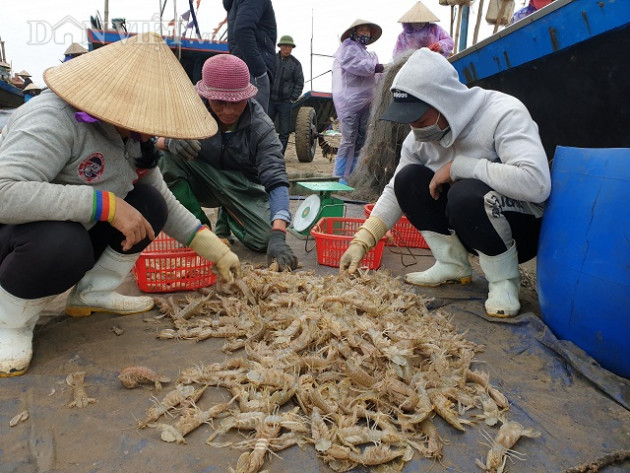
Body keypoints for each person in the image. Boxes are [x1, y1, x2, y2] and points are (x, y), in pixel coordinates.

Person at [0, 33, 241, 377]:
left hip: (70, 229)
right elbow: (4, 193)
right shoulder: (52, 119)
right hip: (19, 236)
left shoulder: (132, 138)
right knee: (64, 244)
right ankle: (9, 322)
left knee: (149, 203)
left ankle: (91, 293)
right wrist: (106, 206)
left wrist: (215, 250)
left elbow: (164, 203)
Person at [339, 48, 551, 318]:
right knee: (408, 179)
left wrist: (462, 167)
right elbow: (395, 190)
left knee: (464, 192)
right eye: (409, 120)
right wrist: (363, 240)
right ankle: (452, 266)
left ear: (444, 101)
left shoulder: (502, 113)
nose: (415, 128)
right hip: (472, 225)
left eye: (421, 118)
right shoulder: (419, 139)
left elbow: (537, 184)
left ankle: (503, 281)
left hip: (521, 229)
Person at [158, 54, 297, 272]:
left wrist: (279, 234)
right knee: (164, 158)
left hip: (242, 187)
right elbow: (147, 140)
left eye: (236, 102)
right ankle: (199, 230)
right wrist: (168, 140)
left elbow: (276, 178)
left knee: (263, 239)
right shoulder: (190, 108)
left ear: (247, 97)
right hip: (201, 177)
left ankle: (230, 214)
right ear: (206, 96)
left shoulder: (261, 127)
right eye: (220, 102)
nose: (229, 111)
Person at [332, 18, 384, 185]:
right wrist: (376, 68)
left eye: (368, 31)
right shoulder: (347, 49)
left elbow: (376, 73)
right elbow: (357, 66)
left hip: (366, 102)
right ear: (354, 32)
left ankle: (353, 174)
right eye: (362, 30)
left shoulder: (369, 53)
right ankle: (340, 176)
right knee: (348, 139)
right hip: (349, 102)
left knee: (361, 139)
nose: (366, 34)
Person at [223, 0, 277, 113]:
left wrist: (236, 55)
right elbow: (242, 30)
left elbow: (235, 36)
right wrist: (260, 71)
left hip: (243, 65)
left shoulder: (234, 3)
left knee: (243, 121)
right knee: (257, 124)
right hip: (255, 70)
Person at [268, 35, 304, 155]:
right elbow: (264, 75)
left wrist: (292, 97)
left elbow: (299, 83)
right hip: (270, 101)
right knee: (265, 127)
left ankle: (279, 155)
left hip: (285, 103)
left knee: (284, 131)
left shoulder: (295, 64)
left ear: (292, 48)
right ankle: (265, 153)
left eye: (289, 46)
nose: (287, 48)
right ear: (280, 46)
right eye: (285, 46)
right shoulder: (271, 59)